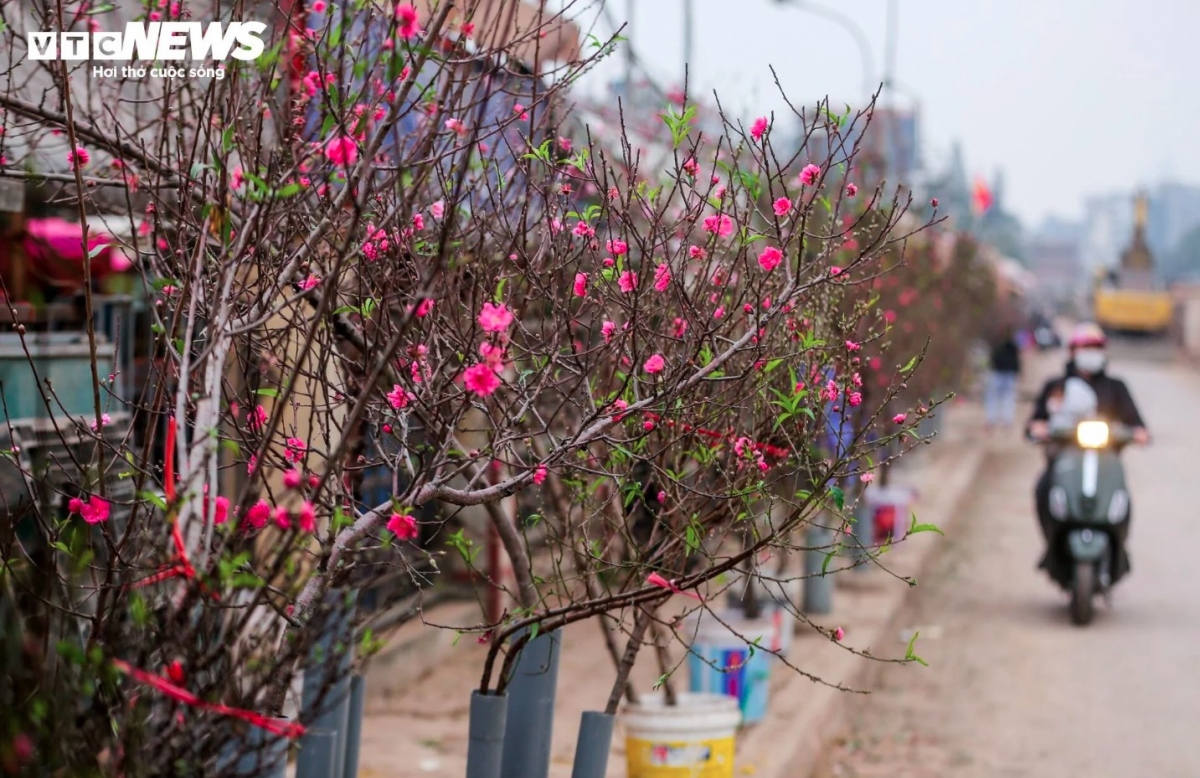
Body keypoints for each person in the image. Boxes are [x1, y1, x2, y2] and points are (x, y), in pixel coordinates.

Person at [1025, 322, 1150, 582]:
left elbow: (1137, 424)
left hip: (1105, 462)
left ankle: (1118, 545)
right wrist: (1039, 428)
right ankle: (1052, 542)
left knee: (1122, 497)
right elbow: (1035, 421)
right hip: (1066, 459)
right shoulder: (1057, 386)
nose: (1091, 352)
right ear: (1072, 351)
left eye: (1096, 347)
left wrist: (1138, 433)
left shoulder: (1116, 387)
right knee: (1042, 488)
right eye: (1085, 347)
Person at [984, 328, 1021, 430]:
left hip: (1003, 374)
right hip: (1000, 374)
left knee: (1001, 398)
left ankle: (1001, 421)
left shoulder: (1003, 346)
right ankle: (999, 421)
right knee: (1004, 398)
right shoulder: (1009, 346)